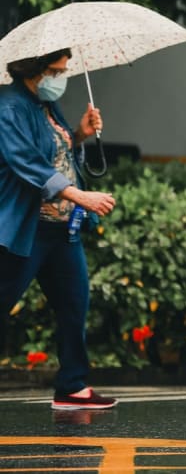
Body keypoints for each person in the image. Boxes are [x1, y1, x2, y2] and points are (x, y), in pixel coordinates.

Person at [0, 49, 119, 410]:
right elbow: (27, 163)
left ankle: (72, 385)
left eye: (64, 70)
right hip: (27, 228)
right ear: (34, 68)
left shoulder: (44, 103)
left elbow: (57, 151)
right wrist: (80, 195)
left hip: (61, 228)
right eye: (56, 70)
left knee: (74, 303)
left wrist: (79, 135)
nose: (61, 78)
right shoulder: (10, 107)